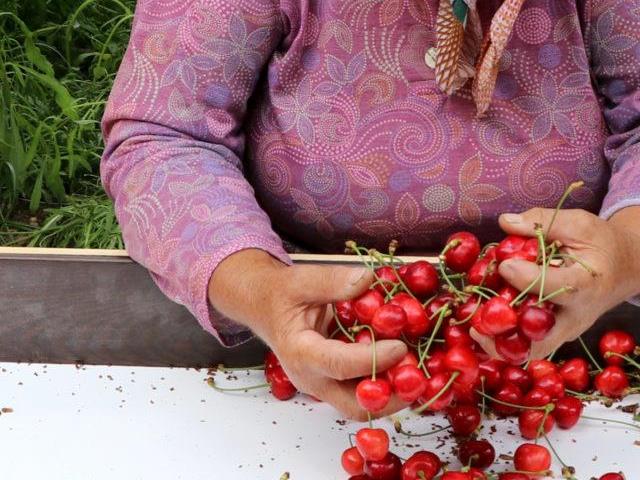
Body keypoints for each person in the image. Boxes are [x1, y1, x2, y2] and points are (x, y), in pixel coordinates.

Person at [101, 0, 640, 419]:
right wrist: (260, 290)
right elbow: (164, 137)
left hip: (562, 337)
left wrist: (625, 256)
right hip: (311, 342)